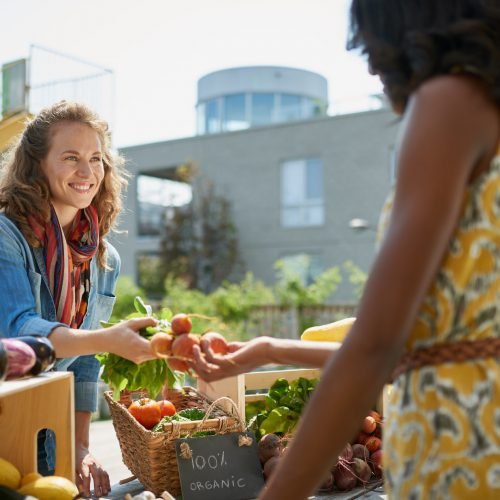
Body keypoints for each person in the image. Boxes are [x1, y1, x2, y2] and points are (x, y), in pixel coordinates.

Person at [192, 1, 500, 498]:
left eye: (368, 40)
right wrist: (270, 349)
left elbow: (376, 344)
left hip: (462, 444)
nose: (371, 63)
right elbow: (426, 336)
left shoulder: (448, 100)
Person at [0, 100, 157, 498]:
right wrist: (108, 339)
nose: (87, 172)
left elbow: (85, 364)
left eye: (96, 158)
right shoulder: (7, 236)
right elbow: (22, 334)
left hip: (48, 434)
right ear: (36, 165)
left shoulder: (103, 258)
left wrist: (80, 447)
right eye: (71, 157)